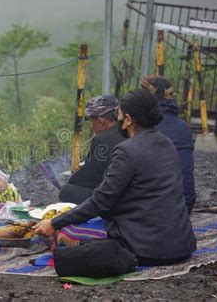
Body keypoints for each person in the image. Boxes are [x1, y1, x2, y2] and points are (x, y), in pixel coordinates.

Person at [35, 89, 196, 271]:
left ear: (128, 119)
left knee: (66, 232)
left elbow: (100, 202)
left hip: (148, 249)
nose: (117, 119)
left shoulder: (127, 150)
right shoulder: (167, 144)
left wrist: (54, 223)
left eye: (119, 114)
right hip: (182, 245)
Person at [141, 75, 196, 213]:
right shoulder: (181, 127)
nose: (173, 98)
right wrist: (184, 210)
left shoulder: (136, 126)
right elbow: (187, 177)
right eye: (171, 94)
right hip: (175, 210)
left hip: (141, 209)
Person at [59, 95, 125, 204]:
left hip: (116, 200)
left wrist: (70, 183)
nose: (90, 126)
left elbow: (88, 179)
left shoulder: (102, 140)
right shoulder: (127, 131)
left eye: (91, 121)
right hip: (131, 193)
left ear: (101, 121)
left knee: (66, 191)